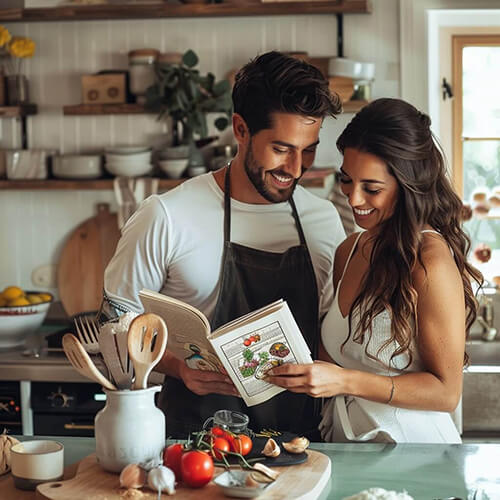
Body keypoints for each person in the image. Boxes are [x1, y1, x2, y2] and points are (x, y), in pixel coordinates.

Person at [103, 51, 346, 437]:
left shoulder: (323, 220)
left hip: (303, 443)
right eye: (281, 149)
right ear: (240, 129)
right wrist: (179, 366)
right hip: (192, 445)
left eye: (309, 149)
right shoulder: (166, 215)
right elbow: (113, 325)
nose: (297, 168)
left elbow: (334, 331)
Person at [266, 98, 483, 443]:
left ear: (408, 185)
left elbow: (446, 393)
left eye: (372, 188)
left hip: (416, 456)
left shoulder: (429, 260)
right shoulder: (348, 252)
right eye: (347, 181)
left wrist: (344, 380)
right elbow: (335, 359)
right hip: (348, 454)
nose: (353, 199)